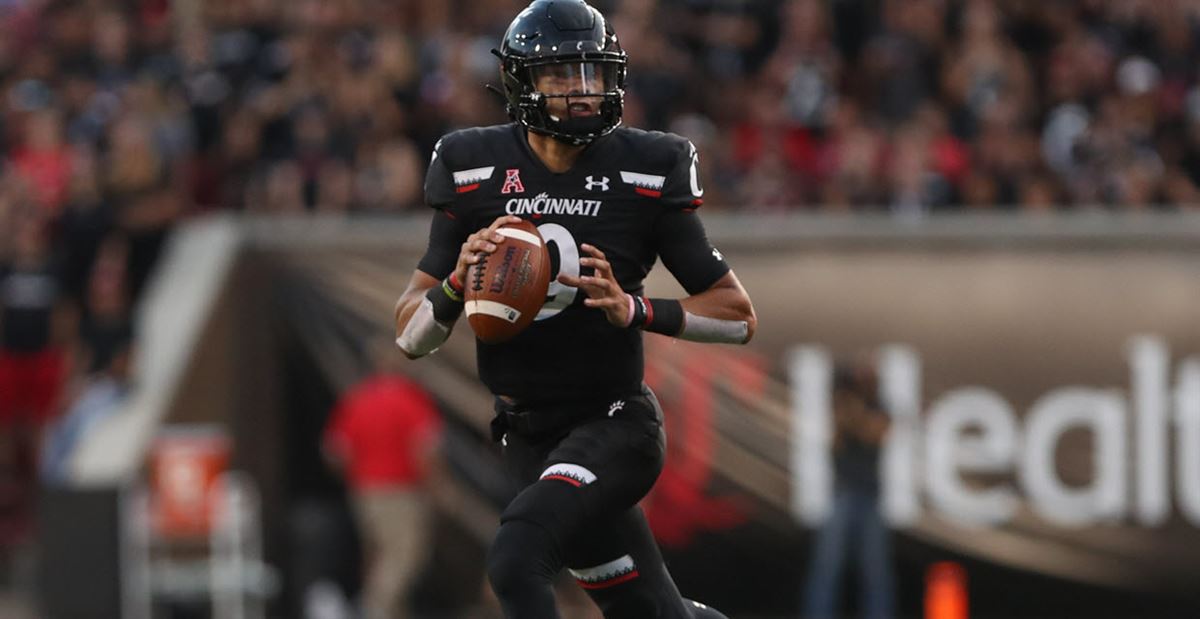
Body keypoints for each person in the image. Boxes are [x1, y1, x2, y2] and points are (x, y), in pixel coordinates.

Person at [392, 1, 756, 617]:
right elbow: (410, 336)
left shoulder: (647, 166)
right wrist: (455, 286)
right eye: (562, 74)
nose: (583, 91)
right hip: (527, 433)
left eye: (593, 73)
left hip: (615, 424)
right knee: (650, 611)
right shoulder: (471, 164)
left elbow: (738, 315)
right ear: (521, 83)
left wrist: (636, 309)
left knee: (516, 558)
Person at [322, 337, 444, 619]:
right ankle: (371, 610)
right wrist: (436, 488)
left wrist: (355, 476)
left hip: (364, 491)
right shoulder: (411, 399)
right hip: (401, 491)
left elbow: (334, 452)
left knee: (376, 558)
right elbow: (426, 450)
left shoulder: (357, 400)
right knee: (405, 557)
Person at [801, 360, 896, 619]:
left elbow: (873, 433)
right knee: (827, 567)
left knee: (875, 571)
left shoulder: (881, 408)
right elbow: (837, 441)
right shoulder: (842, 404)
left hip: (869, 496)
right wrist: (849, 410)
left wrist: (854, 412)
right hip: (842, 493)